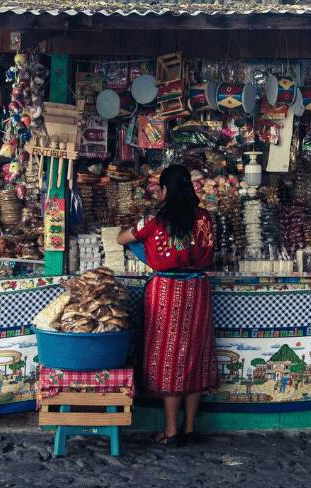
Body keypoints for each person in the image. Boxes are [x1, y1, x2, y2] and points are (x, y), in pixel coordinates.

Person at [117, 164, 218, 447]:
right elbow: (210, 252)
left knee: (168, 357)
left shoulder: (154, 219)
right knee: (195, 355)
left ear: (165, 190)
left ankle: (171, 431)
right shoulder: (205, 218)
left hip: (167, 291)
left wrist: (147, 254)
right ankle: (188, 428)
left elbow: (121, 238)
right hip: (197, 289)